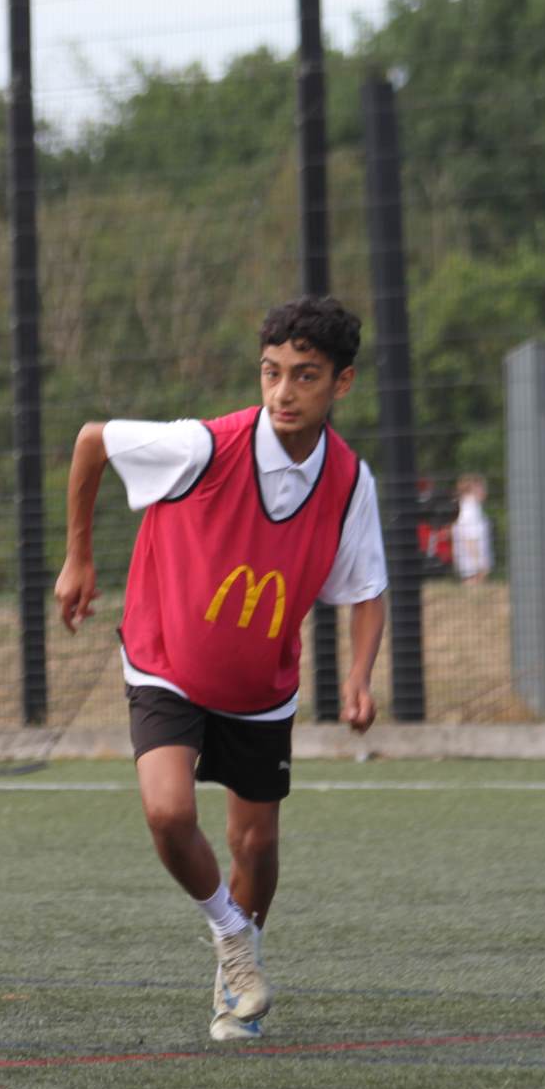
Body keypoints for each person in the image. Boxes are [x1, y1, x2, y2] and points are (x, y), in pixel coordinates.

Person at [55, 294, 387, 1043]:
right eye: (271, 372)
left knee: (256, 846)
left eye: (305, 375)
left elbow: (367, 590)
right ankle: (233, 942)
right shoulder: (204, 446)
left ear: (342, 382)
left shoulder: (349, 482)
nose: (283, 391)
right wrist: (78, 557)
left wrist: (360, 677)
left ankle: (237, 975)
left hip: (259, 685)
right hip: (166, 659)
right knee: (169, 813)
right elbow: (92, 441)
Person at [451, 473, 493, 585]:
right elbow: (469, 539)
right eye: (482, 488)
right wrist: (479, 565)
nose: (485, 491)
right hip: (472, 567)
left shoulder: (472, 507)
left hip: (473, 566)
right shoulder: (470, 510)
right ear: (474, 489)